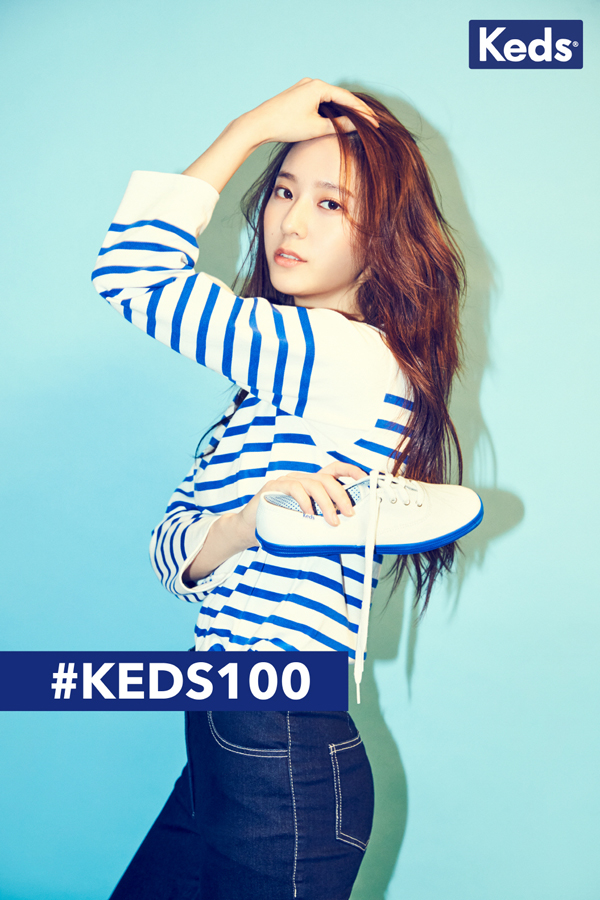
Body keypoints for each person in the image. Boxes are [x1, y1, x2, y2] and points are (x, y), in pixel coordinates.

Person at [92, 78, 465, 900]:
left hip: (278, 739)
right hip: (232, 724)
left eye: (332, 204)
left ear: (387, 236)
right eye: (284, 190)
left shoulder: (335, 353)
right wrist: (245, 521)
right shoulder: (283, 385)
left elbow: (130, 273)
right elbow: (172, 553)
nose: (291, 222)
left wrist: (250, 127)